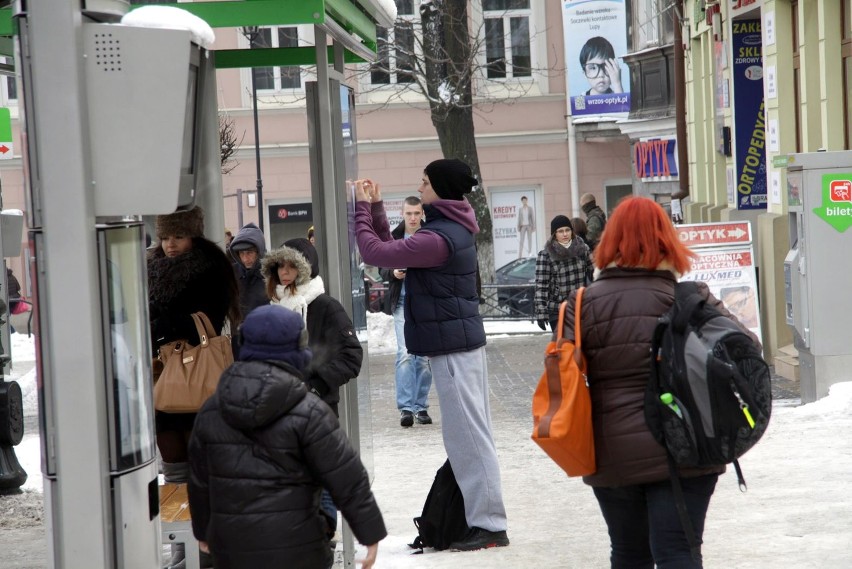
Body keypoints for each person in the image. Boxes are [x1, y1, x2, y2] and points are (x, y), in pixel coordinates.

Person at [559, 196, 760, 568]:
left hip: (612, 453)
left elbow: (562, 372)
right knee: (679, 553)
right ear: (667, 241)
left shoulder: (582, 302)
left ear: (609, 242)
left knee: (629, 553)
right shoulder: (692, 299)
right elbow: (748, 351)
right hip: (689, 447)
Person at [351, 159, 509, 552]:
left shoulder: (439, 238)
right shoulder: (447, 230)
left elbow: (375, 251)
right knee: (468, 435)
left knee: (469, 437)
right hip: (455, 345)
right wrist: (374, 207)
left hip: (454, 349)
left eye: (424, 182)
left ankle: (489, 525)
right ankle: (484, 520)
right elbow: (393, 247)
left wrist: (359, 208)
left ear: (440, 188)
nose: (419, 187)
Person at [187, 305, 386, 569]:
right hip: (301, 549)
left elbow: (200, 482)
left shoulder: (212, 410)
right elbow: (347, 477)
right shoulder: (310, 411)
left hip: (232, 549)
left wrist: (203, 530)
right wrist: (369, 533)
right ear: (297, 352)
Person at [147, 206, 240, 569]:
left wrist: (162, 323)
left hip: (199, 377)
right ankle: (181, 546)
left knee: (204, 466)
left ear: (193, 235)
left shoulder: (210, 266)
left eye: (178, 237)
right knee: (173, 468)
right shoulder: (151, 266)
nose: (170, 245)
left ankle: (207, 548)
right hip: (166, 377)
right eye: (165, 237)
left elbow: (209, 320)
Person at [261, 237, 363, 541]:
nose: (285, 272)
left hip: (318, 408)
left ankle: (324, 538)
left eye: (292, 265)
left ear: (306, 269)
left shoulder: (325, 306)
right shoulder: (272, 306)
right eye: (280, 265)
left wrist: (317, 385)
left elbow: (351, 356)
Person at [379, 196, 433, 428]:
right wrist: (393, 274)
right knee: (404, 354)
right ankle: (406, 408)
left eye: (416, 213)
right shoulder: (394, 237)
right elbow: (382, 267)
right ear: (402, 214)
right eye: (408, 213)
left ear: (422, 213)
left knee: (423, 358)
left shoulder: (430, 236)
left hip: (425, 304)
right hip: (401, 302)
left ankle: (420, 406)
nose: (412, 217)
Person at [534, 215, 592, 332]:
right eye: (560, 231)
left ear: (572, 231)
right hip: (557, 309)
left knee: (581, 345)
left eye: (567, 230)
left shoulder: (582, 249)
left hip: (579, 306)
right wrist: (541, 312)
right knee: (564, 346)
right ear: (554, 234)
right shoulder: (546, 255)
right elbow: (541, 285)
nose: (565, 234)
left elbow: (594, 274)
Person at [228, 223, 268, 318]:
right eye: (241, 253)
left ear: (259, 252)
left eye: (249, 253)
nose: (245, 259)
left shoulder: (271, 273)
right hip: (236, 330)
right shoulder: (231, 273)